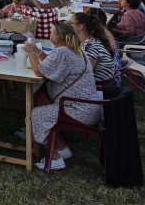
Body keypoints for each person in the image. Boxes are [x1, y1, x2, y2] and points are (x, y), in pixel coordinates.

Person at [23, 22, 100, 170]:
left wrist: (30, 52)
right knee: (44, 104)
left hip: (78, 111)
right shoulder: (75, 50)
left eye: (51, 33)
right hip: (90, 107)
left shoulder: (63, 52)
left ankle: (55, 159)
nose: (49, 35)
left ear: (57, 38)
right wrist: (37, 51)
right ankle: (62, 148)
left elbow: (39, 72)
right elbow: (51, 64)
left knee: (37, 114)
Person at [69, 12, 119, 85]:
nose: (67, 26)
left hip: (97, 90)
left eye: (70, 23)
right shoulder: (91, 41)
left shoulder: (90, 47)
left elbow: (80, 73)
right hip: (96, 86)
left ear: (80, 26)